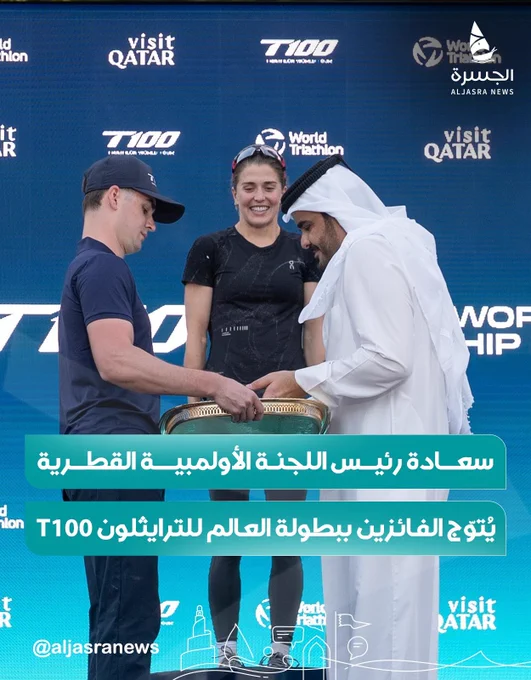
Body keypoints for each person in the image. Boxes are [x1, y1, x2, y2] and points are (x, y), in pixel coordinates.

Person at [249, 155, 474, 680]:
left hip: (384, 464)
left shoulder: (368, 250)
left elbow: (388, 359)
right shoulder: (386, 245)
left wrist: (303, 380)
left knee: (382, 605)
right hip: (384, 455)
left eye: (308, 226)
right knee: (382, 608)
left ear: (334, 214)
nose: (305, 242)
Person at [59, 155, 263, 680]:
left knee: (119, 614)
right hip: (112, 460)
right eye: (147, 209)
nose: (151, 224)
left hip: (106, 460)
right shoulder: (103, 266)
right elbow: (116, 360)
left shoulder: (93, 265)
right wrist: (212, 383)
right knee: (126, 619)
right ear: (114, 197)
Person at [182, 144, 325, 669]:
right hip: (223, 409)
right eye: (249, 187)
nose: (259, 197)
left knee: (286, 535)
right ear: (234, 192)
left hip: (289, 411)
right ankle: (226, 653)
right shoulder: (209, 248)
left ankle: (280, 652)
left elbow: (315, 337)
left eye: (268, 187)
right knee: (229, 536)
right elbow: (195, 336)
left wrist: (317, 400)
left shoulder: (303, 250)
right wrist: (193, 408)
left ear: (282, 192)